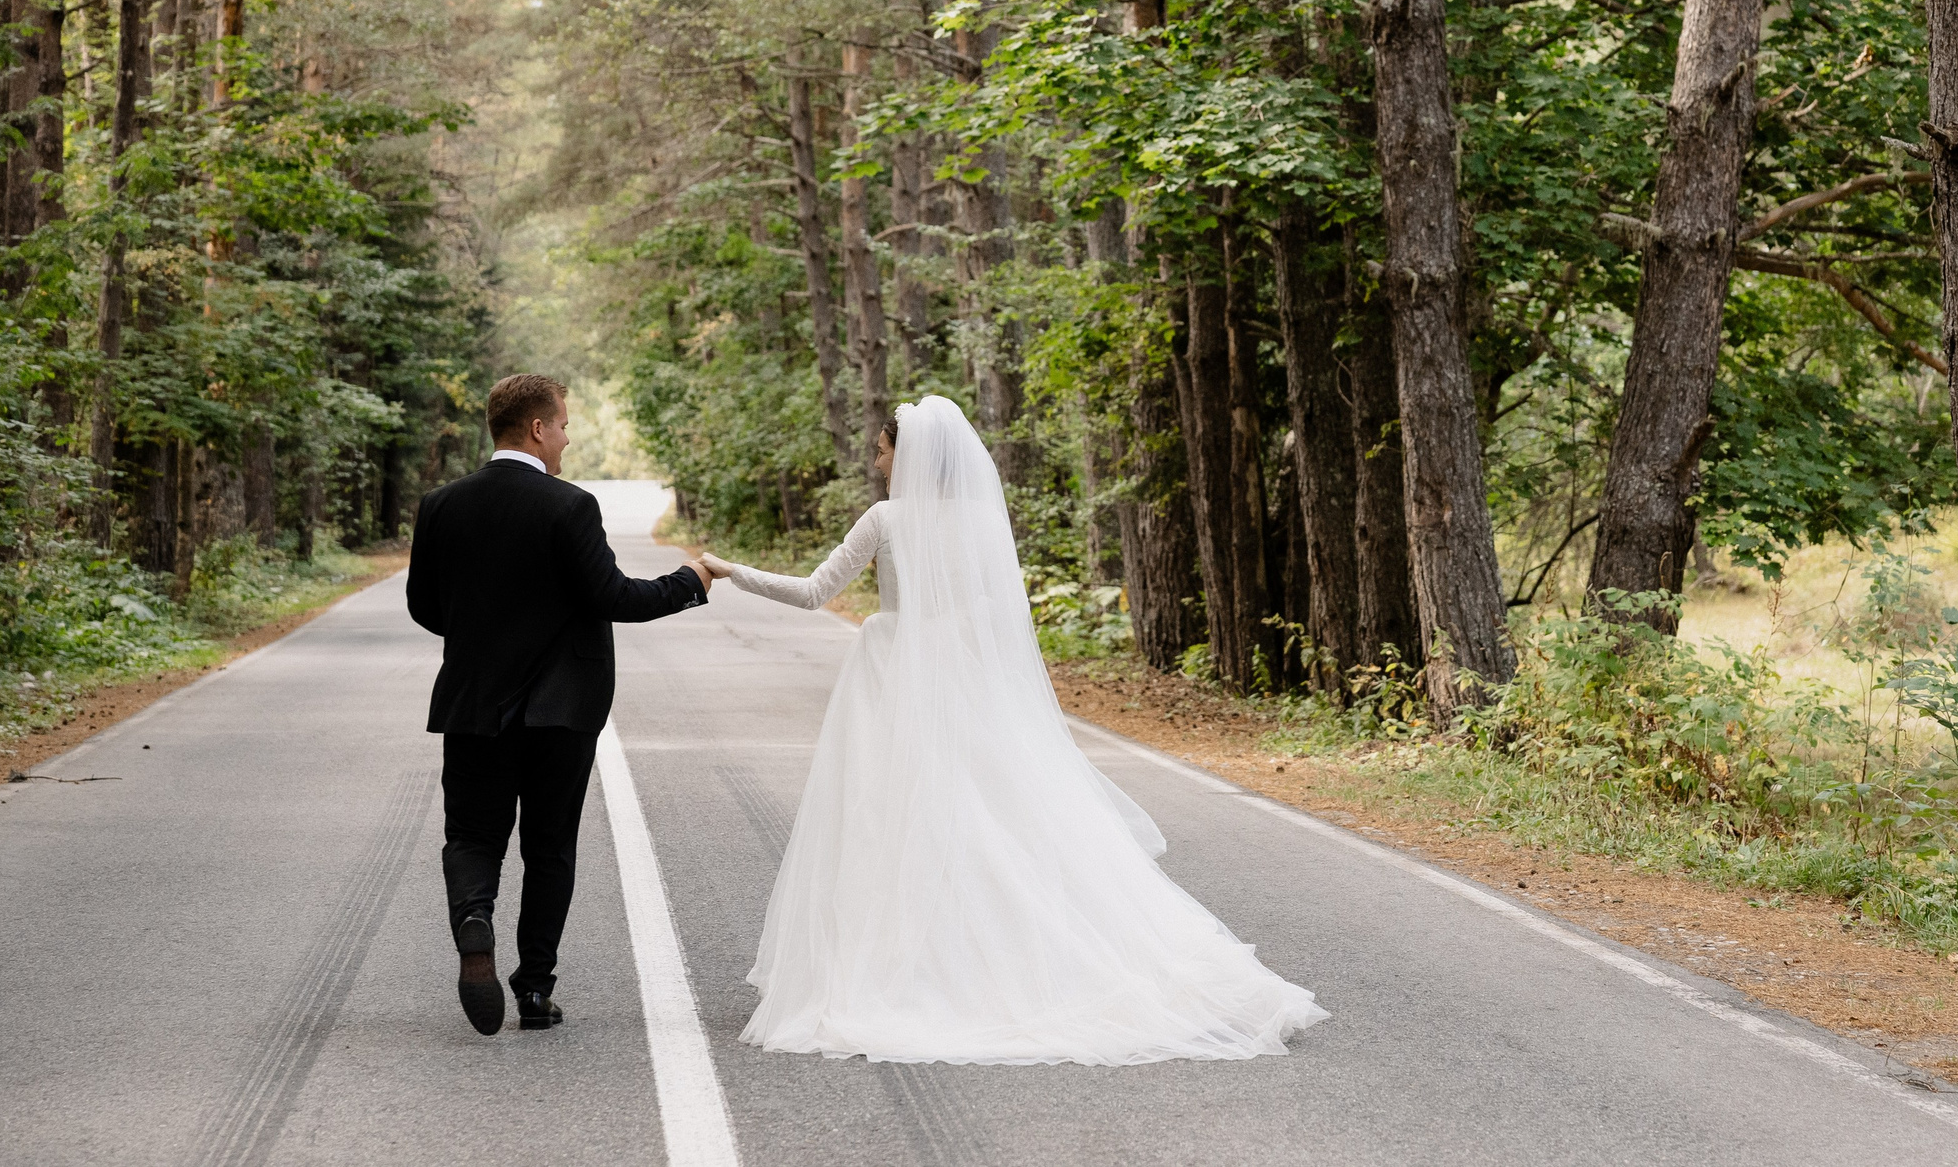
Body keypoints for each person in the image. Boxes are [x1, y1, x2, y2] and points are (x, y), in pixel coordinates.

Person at [702, 394, 1327, 1065]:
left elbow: (812, 592)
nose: (877, 464)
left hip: (892, 680)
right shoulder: (979, 521)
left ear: (908, 455)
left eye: (882, 452)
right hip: (965, 683)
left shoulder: (887, 519)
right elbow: (992, 611)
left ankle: (913, 971)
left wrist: (729, 570)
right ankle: (987, 963)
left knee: (890, 822)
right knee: (983, 821)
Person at [407, 372, 714, 1036]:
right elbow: (615, 598)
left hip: (473, 704)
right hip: (560, 711)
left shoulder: (440, 505)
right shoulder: (569, 505)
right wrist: (688, 580)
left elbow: (424, 607)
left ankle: (474, 917)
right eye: (565, 426)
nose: (568, 440)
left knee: (472, 835)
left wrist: (481, 639)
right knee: (549, 848)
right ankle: (534, 990)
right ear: (538, 427)